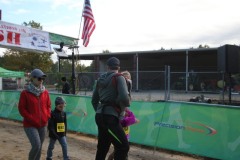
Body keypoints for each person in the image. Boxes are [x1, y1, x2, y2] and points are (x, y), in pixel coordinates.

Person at [91, 57, 131, 160]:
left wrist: (101, 112)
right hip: (111, 117)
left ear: (107, 67)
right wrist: (122, 109)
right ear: (118, 67)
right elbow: (124, 98)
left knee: (102, 147)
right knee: (123, 146)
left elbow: (94, 100)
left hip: (99, 116)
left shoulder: (100, 79)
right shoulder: (119, 77)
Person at [18, 68, 51, 160]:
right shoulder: (25, 93)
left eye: (43, 79)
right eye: (39, 78)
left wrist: (47, 116)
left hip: (43, 124)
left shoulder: (45, 92)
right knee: (36, 145)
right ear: (33, 78)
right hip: (30, 125)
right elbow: (22, 109)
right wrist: (31, 118)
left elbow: (48, 106)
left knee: (39, 147)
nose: (41, 81)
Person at [108, 70, 139, 160]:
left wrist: (131, 118)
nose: (128, 81)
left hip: (124, 130)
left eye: (129, 79)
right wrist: (132, 119)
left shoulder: (127, 89)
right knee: (122, 149)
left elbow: (128, 111)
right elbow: (123, 120)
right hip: (118, 123)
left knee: (120, 149)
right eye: (126, 79)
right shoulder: (119, 90)